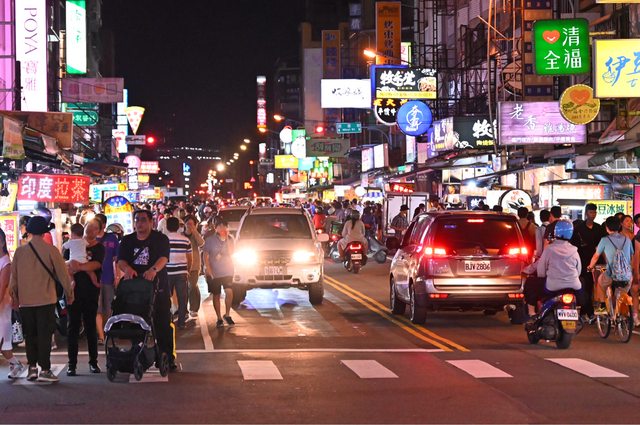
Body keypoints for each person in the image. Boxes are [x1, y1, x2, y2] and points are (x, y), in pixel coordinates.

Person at [9, 216, 74, 382]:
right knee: (45, 335)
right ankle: (45, 369)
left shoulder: (19, 252)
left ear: (29, 231)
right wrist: (69, 294)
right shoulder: (51, 250)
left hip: (25, 301)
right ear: (45, 232)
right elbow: (63, 275)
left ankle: (32, 368)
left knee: (30, 335)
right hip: (46, 300)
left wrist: (14, 297)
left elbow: (13, 278)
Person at [118, 210, 176, 370]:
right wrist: (127, 269)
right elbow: (121, 260)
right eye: (137, 220)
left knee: (162, 323)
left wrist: (153, 270)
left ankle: (167, 357)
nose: (139, 223)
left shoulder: (160, 239)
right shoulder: (127, 240)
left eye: (143, 220)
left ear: (151, 222)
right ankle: (137, 356)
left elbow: (164, 258)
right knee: (136, 325)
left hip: (158, 288)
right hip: (135, 291)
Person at [65, 219, 105, 376]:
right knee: (72, 328)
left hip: (90, 293)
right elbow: (65, 265)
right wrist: (73, 270)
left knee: (90, 327)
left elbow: (97, 264)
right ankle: (72, 364)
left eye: (95, 228)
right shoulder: (72, 244)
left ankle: (93, 362)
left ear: (99, 231)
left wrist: (79, 266)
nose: (91, 230)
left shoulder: (99, 248)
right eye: (89, 227)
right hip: (73, 293)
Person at [526, 220, 583, 318]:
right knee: (583, 281)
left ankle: (532, 313)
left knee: (530, 282)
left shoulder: (549, 249)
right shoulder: (574, 250)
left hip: (552, 287)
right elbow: (579, 271)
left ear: (555, 232)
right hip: (574, 286)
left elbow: (541, 271)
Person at [587, 216, 633, 316]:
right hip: (627, 276)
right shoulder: (627, 240)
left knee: (600, 282)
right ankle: (619, 313)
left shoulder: (605, 240)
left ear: (607, 227)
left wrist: (590, 266)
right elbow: (631, 256)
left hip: (611, 274)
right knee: (620, 293)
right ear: (619, 226)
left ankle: (602, 306)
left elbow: (596, 256)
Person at [570, 203, 605, 319]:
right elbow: (574, 246)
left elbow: (603, 246)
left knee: (597, 286)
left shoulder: (599, 228)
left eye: (594, 212)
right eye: (591, 212)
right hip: (583, 261)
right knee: (586, 286)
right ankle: (587, 311)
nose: (593, 215)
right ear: (586, 213)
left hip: (597, 262)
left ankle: (595, 311)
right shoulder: (578, 229)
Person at [0, 228, 25, 379]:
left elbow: (2, 288)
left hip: (2, 308)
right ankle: (15, 364)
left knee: (3, 343)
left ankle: (16, 364)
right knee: (4, 345)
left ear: (2, 242)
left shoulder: (5, 263)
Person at [203, 220, 235, 328]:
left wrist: (227, 240)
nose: (222, 228)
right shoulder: (210, 240)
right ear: (215, 228)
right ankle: (219, 318)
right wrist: (208, 270)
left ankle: (227, 314)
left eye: (224, 226)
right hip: (215, 271)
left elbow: (231, 252)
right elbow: (205, 256)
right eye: (220, 226)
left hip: (228, 270)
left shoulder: (230, 239)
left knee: (229, 291)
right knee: (216, 294)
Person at [95, 214, 121, 343]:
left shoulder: (112, 239)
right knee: (97, 308)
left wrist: (117, 276)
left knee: (109, 307)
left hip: (108, 278)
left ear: (104, 225)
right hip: (94, 280)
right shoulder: (89, 238)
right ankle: (101, 336)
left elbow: (117, 260)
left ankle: (107, 332)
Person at [166, 217, 193, 329]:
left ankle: (167, 321)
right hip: (182, 272)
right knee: (182, 298)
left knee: (166, 298)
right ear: (178, 227)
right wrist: (188, 270)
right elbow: (190, 258)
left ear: (167, 226)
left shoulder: (164, 240)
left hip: (167, 273)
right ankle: (181, 322)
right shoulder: (185, 240)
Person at [63, 223, 99, 288]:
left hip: (73, 261)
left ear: (72, 233)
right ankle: (95, 282)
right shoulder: (83, 241)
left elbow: (63, 247)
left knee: (67, 269)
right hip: (84, 261)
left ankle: (72, 281)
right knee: (91, 272)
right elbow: (87, 245)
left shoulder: (70, 242)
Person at [183, 215, 205, 317]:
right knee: (183, 288)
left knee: (192, 286)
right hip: (182, 265)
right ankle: (184, 310)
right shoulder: (181, 235)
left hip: (194, 266)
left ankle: (193, 308)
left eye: (192, 224)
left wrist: (195, 231)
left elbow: (202, 244)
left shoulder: (196, 235)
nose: (189, 226)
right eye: (188, 224)